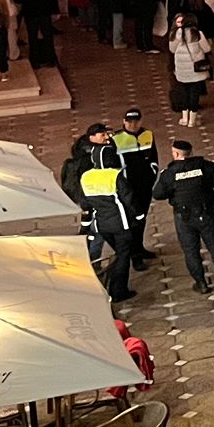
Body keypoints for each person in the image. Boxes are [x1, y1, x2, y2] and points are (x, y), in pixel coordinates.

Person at [152, 138, 214, 293]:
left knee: (191, 250)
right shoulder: (205, 166)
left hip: (183, 217)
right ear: (191, 152)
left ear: (176, 154)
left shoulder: (169, 173)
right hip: (206, 213)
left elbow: (158, 194)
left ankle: (201, 283)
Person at [73, 123, 137, 303]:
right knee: (123, 255)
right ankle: (118, 291)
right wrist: (138, 216)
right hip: (120, 223)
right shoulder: (113, 175)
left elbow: (85, 203)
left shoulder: (86, 177)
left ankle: (111, 283)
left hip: (101, 224)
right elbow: (128, 198)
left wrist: (85, 226)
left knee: (119, 253)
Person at [112, 108, 163, 268]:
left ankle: (139, 248)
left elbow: (154, 157)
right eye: (129, 121)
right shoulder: (116, 138)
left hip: (145, 185)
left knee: (142, 218)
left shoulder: (148, 134)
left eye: (136, 121)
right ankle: (135, 256)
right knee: (132, 221)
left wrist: (152, 174)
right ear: (124, 121)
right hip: (128, 187)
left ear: (141, 121)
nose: (132, 124)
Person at [168, 13, 211, 128]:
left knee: (184, 93)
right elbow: (207, 48)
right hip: (195, 69)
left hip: (182, 69)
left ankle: (184, 118)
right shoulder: (198, 34)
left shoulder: (176, 34)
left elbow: (172, 49)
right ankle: (192, 120)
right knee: (194, 94)